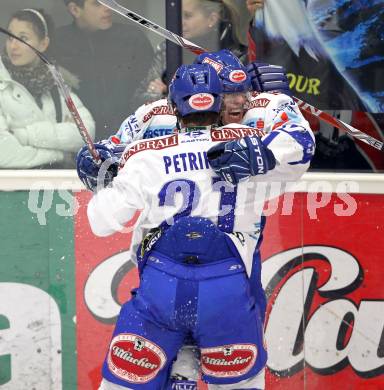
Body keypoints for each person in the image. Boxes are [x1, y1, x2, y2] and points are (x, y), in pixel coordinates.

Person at [77, 62, 315, 389]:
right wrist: (270, 144)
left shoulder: (144, 153)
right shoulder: (253, 140)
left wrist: (106, 179)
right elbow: (299, 151)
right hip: (228, 284)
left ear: (173, 106)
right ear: (218, 103)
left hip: (159, 289)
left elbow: (101, 221)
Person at [246, 0, 384, 171]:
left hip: (364, 167)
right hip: (298, 167)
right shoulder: (289, 48)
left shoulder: (366, 55)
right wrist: (261, 20)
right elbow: (261, 68)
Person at [0, 8, 95, 168]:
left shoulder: (57, 86)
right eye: (10, 37)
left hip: (53, 187)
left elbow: (86, 134)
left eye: (22, 38)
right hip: (12, 189)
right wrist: (60, 154)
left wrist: (25, 135)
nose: (13, 46)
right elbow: (4, 153)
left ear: (43, 44)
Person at [50, 0, 154, 141]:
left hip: (130, 137)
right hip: (80, 139)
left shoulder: (132, 39)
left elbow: (151, 88)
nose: (107, 8)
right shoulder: (57, 43)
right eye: (97, 3)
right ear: (75, 9)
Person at [135, 0, 247, 104]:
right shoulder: (168, 49)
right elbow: (137, 100)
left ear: (212, 19)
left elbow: (235, 103)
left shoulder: (236, 55)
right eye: (178, 15)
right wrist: (159, 94)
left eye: (187, 16)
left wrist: (167, 91)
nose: (180, 21)